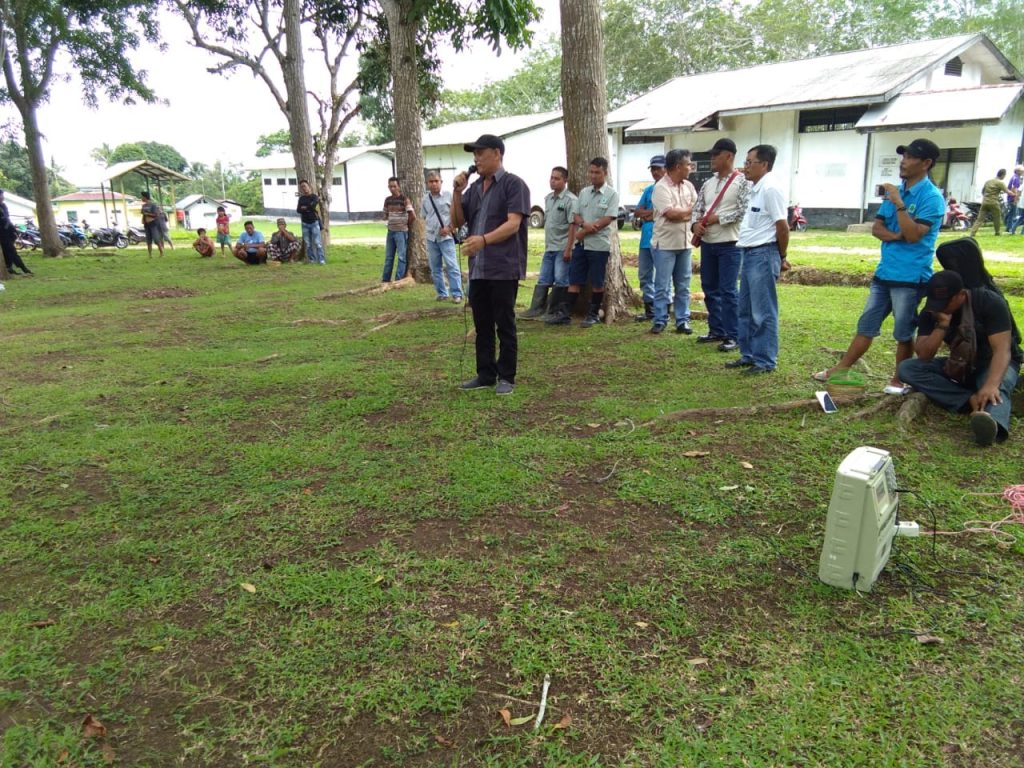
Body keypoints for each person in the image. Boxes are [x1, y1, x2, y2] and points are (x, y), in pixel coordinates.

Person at [812, 138, 945, 393]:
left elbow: (915, 234)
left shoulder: (931, 198)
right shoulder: (897, 190)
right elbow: (877, 228)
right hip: (885, 273)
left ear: (926, 163)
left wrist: (899, 204)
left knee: (903, 331)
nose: (903, 162)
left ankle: (899, 379)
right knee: (867, 324)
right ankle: (841, 369)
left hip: (910, 276)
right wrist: (896, 235)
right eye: (902, 156)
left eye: (910, 157)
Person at [898, 270, 1021, 445]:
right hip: (962, 364)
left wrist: (991, 384)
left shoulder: (988, 302)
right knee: (908, 368)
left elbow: (1002, 349)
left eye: (945, 302)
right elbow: (924, 355)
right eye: (936, 302)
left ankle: (992, 426)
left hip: (995, 361)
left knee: (996, 390)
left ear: (961, 295)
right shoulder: (932, 311)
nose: (939, 307)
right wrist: (941, 325)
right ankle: (968, 399)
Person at [451, 133, 530, 395]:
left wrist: (483, 240)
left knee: (504, 323)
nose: (476, 158)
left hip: (503, 267)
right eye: (474, 153)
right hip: (479, 268)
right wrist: (456, 191)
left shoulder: (514, 185)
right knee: (482, 323)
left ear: (497, 153)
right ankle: (485, 374)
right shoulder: (473, 189)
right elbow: (458, 221)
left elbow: (513, 223)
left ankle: (506, 376)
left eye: (480, 152)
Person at [725, 144, 790, 375]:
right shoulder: (755, 188)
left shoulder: (771, 189)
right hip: (749, 253)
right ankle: (749, 354)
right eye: (746, 161)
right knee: (746, 310)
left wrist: (781, 256)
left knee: (763, 312)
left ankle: (765, 361)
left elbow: (782, 227)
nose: (746, 167)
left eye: (750, 162)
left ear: (764, 164)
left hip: (764, 253)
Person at [691, 138, 750, 352]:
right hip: (708, 243)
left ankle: (732, 334)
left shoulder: (743, 182)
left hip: (730, 244)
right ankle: (716, 330)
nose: (712, 158)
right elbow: (697, 208)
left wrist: (720, 218)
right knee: (709, 287)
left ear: (729, 156)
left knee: (728, 290)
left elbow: (743, 210)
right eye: (712, 154)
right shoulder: (708, 183)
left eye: (716, 154)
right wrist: (695, 225)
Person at [548, 157, 619, 328]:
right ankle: (566, 313)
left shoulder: (611, 195)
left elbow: (607, 219)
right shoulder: (584, 192)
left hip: (598, 245)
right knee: (575, 279)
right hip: (581, 246)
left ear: (605, 173)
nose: (593, 176)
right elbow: (576, 215)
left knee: (597, 281)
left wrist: (583, 232)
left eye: (597, 172)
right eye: (591, 172)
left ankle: (593, 314)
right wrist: (583, 225)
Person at [649, 149, 697, 334]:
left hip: (685, 243)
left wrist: (684, 213)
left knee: (683, 285)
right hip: (665, 245)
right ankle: (660, 319)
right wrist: (687, 212)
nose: (690, 167)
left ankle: (682, 320)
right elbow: (670, 214)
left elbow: (696, 209)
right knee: (662, 285)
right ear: (678, 166)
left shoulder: (688, 186)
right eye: (688, 164)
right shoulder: (661, 188)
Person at [521, 166, 576, 320]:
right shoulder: (548, 199)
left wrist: (569, 248)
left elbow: (573, 225)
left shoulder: (570, 200)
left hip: (562, 247)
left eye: (557, 178)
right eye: (551, 178)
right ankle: (536, 308)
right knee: (544, 278)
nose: (553, 181)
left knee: (561, 279)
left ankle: (555, 311)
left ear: (565, 180)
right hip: (550, 247)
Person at [632, 155, 667, 322]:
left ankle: (664, 310)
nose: (655, 172)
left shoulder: (670, 189)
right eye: (653, 169)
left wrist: (651, 214)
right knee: (644, 275)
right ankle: (650, 309)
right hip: (646, 239)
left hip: (663, 239)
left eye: (658, 168)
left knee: (662, 276)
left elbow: (665, 213)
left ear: (666, 169)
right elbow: (638, 211)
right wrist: (651, 214)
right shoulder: (648, 190)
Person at [422, 171, 463, 303]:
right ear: (427, 184)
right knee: (435, 268)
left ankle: (457, 294)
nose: (434, 184)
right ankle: (442, 293)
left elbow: (457, 215)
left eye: (436, 181)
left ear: (441, 182)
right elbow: (424, 216)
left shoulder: (449, 196)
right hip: (431, 238)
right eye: (431, 182)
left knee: (452, 265)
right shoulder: (425, 199)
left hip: (446, 238)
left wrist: (450, 228)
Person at [382, 177, 415, 282]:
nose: (392, 188)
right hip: (391, 232)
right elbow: (385, 214)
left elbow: (413, 215)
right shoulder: (387, 200)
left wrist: (405, 224)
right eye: (390, 186)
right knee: (389, 257)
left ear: (399, 187)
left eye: (394, 186)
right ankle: (385, 280)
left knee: (401, 257)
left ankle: (398, 279)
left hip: (401, 232)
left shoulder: (404, 199)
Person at [0, 189, 32, 276]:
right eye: (1, 195)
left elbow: (7, 219)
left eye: (2, 195)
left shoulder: (4, 206)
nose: (2, 197)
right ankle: (23, 268)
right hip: (2, 233)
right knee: (11, 251)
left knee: (9, 251)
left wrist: (13, 230)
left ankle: (9, 267)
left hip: (8, 231)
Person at [970, 169, 1008, 237]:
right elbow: (1007, 191)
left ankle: (972, 233)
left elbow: (983, 191)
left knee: (980, 219)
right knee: (997, 217)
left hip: (984, 202)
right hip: (993, 202)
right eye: (1004, 175)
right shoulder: (1000, 182)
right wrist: (1015, 194)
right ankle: (997, 232)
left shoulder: (988, 181)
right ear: (1002, 175)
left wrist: (986, 197)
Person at [296, 180, 325, 264]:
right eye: (302, 187)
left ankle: (321, 259)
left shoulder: (314, 197)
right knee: (308, 243)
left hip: (314, 222)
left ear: (309, 187)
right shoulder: (301, 199)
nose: (304, 188)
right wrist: (306, 208)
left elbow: (313, 206)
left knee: (317, 242)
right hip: (305, 223)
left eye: (305, 186)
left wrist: (305, 207)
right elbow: (298, 210)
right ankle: (312, 259)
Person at [140, 191, 165, 257]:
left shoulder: (153, 205)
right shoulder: (143, 205)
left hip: (153, 224)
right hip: (146, 224)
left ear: (145, 197)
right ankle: (150, 255)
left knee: (156, 239)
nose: (141, 198)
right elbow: (142, 213)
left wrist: (147, 214)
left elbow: (156, 214)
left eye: (142, 197)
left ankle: (161, 252)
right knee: (148, 240)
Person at [1007, 165, 1024, 234]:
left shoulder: (1014, 177)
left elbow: (1018, 190)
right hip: (1013, 199)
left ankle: (1011, 229)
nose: (1023, 172)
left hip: (1020, 202)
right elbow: (1014, 189)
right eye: (1022, 171)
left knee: (1018, 216)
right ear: (1017, 171)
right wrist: (1015, 198)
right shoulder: (1016, 178)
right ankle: (1011, 229)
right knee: (1013, 215)